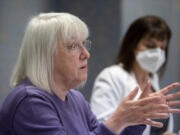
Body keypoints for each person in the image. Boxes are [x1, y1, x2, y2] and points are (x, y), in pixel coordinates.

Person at [0, 13, 180, 135]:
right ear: (45, 54)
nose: (86, 54)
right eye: (73, 46)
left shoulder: (76, 99)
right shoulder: (30, 102)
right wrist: (118, 119)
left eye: (84, 44)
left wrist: (137, 118)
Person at [91, 15, 180, 135]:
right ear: (132, 44)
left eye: (162, 48)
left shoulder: (153, 79)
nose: (157, 53)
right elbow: (101, 127)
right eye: (150, 46)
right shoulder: (111, 76)